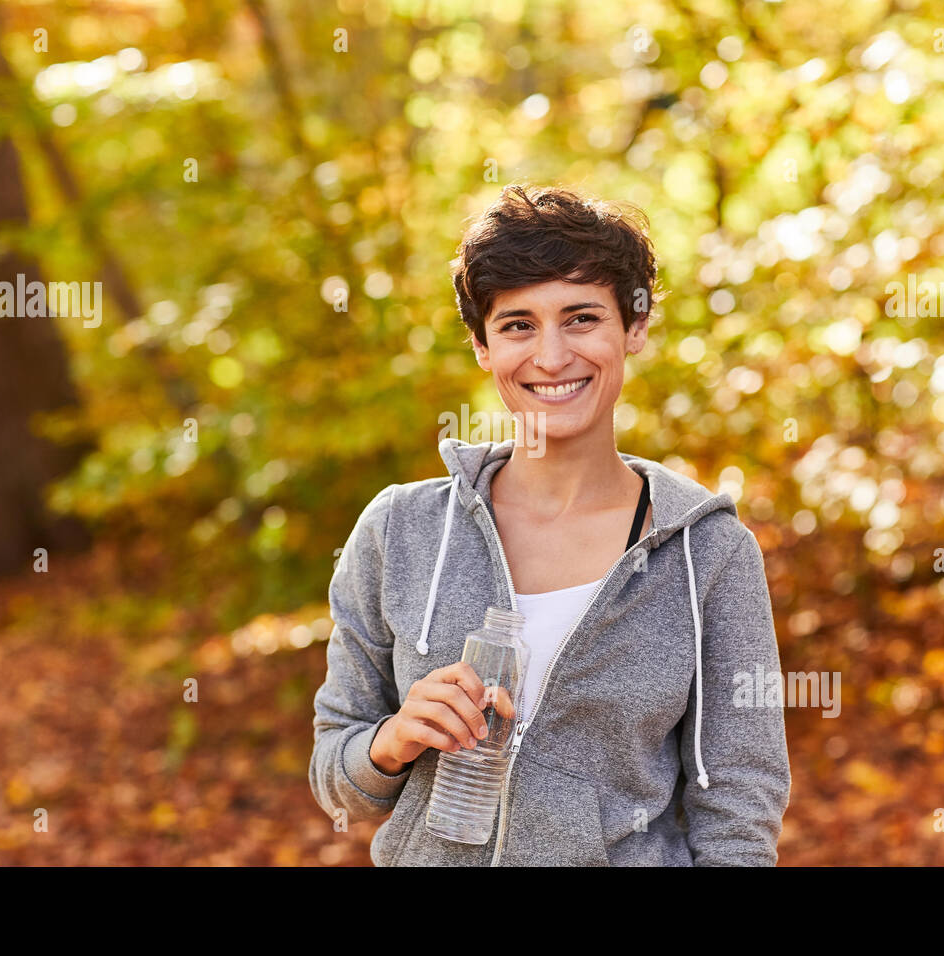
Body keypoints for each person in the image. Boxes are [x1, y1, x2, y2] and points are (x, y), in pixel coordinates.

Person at [309, 183, 790, 865]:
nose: (552, 355)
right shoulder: (400, 531)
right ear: (482, 346)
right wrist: (393, 740)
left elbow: (741, 800)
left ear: (635, 329)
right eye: (517, 325)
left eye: (582, 318)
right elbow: (338, 780)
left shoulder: (707, 553)